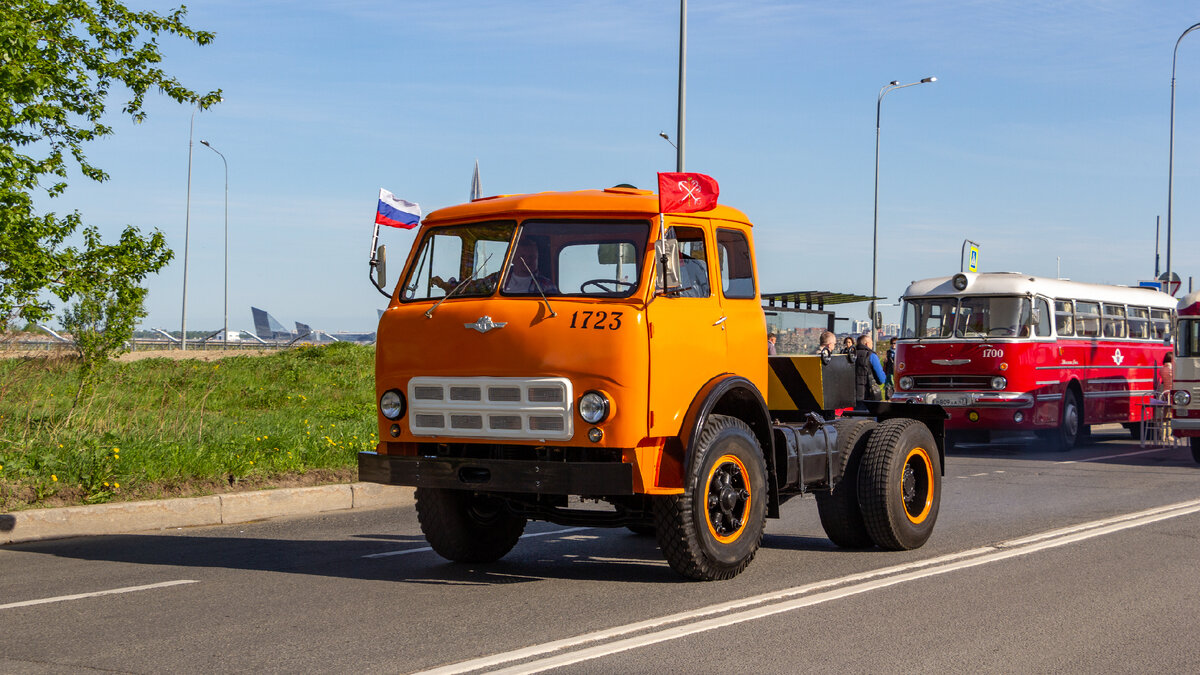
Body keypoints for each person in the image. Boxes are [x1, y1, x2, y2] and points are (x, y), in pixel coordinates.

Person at [854, 334, 886, 403]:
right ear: (867, 344)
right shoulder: (871, 356)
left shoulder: (851, 355)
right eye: (872, 343)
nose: (872, 345)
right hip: (868, 395)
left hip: (852, 395)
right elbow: (881, 378)